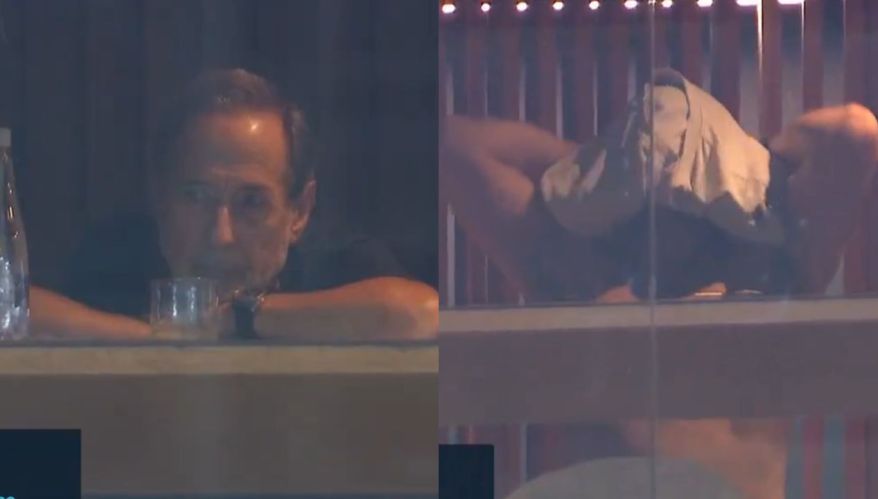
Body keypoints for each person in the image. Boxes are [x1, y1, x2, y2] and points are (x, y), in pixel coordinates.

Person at [441, 68, 878, 499]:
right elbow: (452, 143)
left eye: (693, 176)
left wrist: (748, 161)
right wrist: (601, 164)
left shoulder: (771, 270)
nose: (673, 185)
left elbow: (854, 132)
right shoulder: (583, 275)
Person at [30, 69, 438, 341]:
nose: (220, 235)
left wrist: (239, 317)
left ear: (299, 211)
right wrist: (161, 338)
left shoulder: (337, 267)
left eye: (252, 203)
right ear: (161, 200)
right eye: (196, 197)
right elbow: (16, 312)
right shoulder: (115, 259)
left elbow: (421, 314)